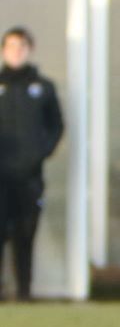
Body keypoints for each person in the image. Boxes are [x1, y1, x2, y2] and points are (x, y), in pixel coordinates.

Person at [0, 28, 64, 302]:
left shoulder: (43, 87)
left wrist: (41, 151)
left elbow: (56, 125)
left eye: (22, 46)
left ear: (30, 49)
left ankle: (24, 293)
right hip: (1, 176)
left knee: (26, 234)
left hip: (29, 175)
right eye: (11, 46)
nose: (16, 51)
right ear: (3, 50)